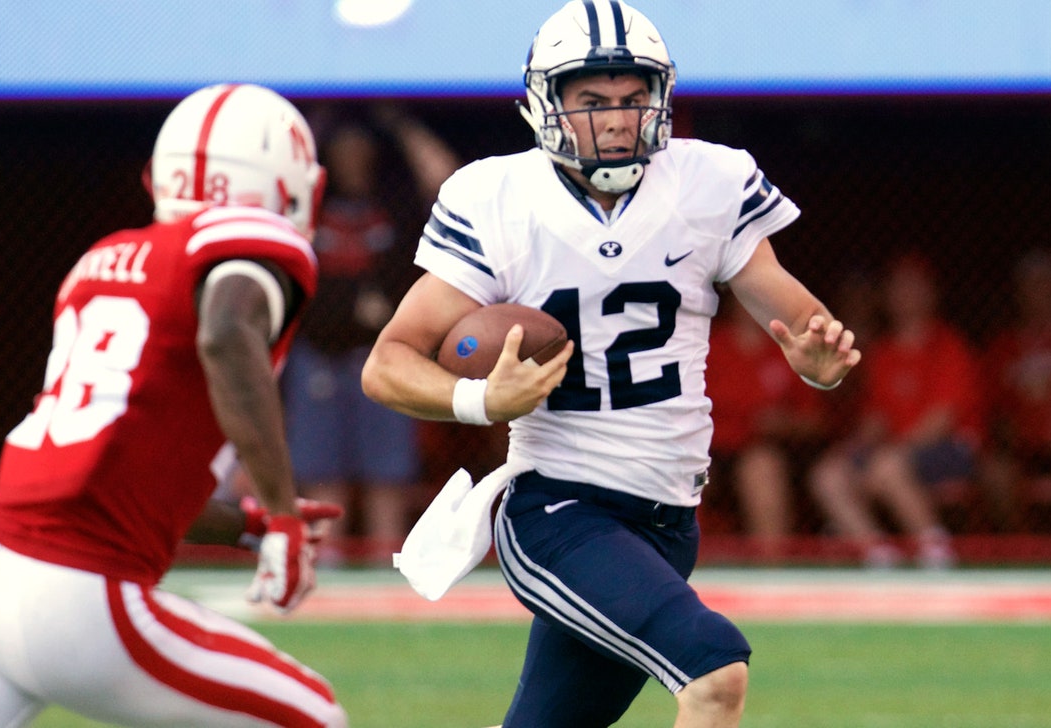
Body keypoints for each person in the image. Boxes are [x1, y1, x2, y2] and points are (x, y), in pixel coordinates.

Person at [361, 2, 860, 726]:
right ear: (546, 103)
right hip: (559, 509)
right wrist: (480, 401)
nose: (618, 121)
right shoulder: (496, 199)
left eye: (632, 100)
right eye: (592, 101)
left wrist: (821, 363)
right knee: (713, 669)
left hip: (667, 522)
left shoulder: (710, 183)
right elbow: (387, 363)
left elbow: (806, 331)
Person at [0, 84, 348, 728]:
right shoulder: (249, 243)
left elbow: (118, 469)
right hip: (80, 598)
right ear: (282, 183)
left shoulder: (101, 262)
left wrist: (248, 523)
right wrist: (282, 511)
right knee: (314, 717)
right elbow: (225, 333)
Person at [281, 109, 460, 562]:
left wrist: (400, 122)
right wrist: (315, 124)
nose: (352, 158)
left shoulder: (395, 200)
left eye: (360, 148)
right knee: (320, 472)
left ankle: (386, 565)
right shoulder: (309, 202)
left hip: (382, 353)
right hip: (318, 354)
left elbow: (448, 181)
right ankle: (325, 569)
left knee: (387, 476)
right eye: (342, 149)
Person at [807, 253, 976, 568]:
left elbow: (943, 419)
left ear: (931, 292)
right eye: (898, 287)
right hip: (892, 452)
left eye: (913, 286)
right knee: (828, 473)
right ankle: (878, 556)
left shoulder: (948, 344)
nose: (904, 294)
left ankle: (937, 552)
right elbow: (877, 418)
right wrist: (855, 450)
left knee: (887, 466)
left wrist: (887, 455)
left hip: (947, 449)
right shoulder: (882, 351)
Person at [705, 291, 829, 560]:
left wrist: (784, 423)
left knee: (761, 466)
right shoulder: (709, 345)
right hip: (712, 451)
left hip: (774, 452)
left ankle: (771, 566)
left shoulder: (786, 346)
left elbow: (814, 420)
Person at [979, 248, 1051, 530]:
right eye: (1032, 285)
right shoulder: (1004, 347)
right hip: (1018, 448)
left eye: (1047, 284)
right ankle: (1020, 551)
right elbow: (990, 409)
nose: (1040, 292)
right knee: (993, 472)